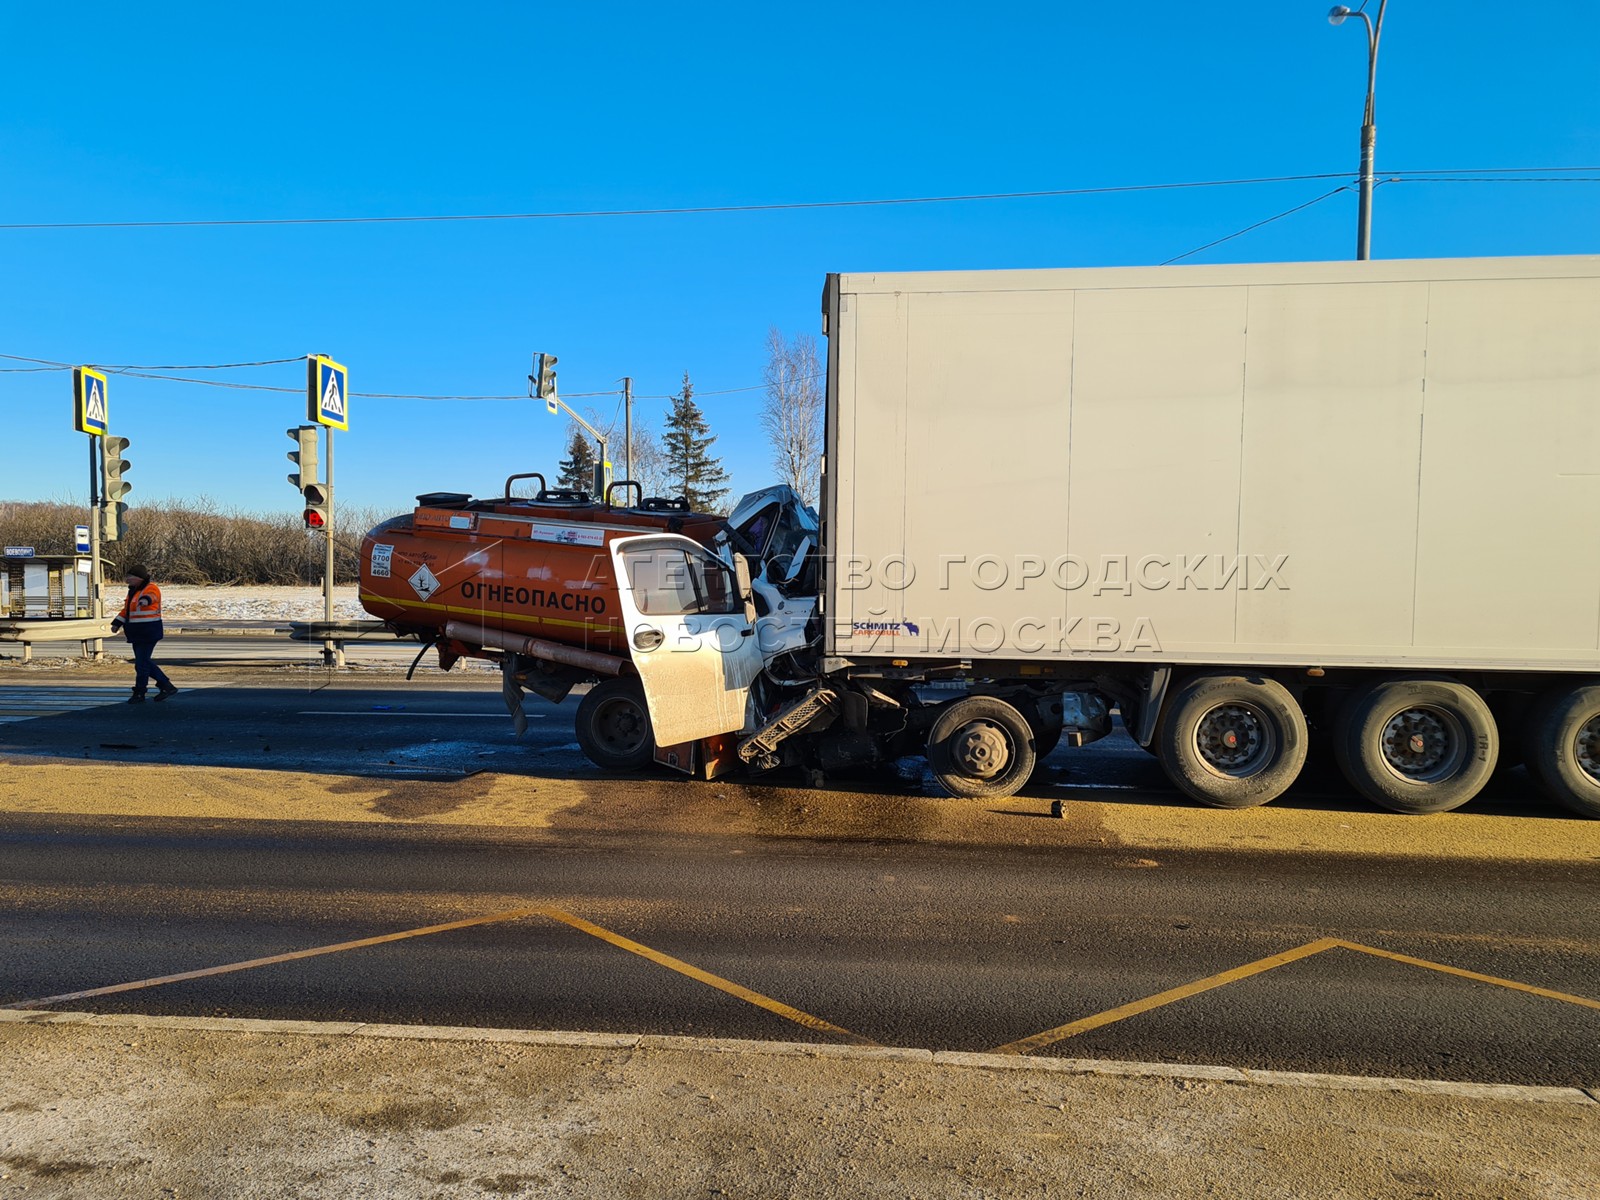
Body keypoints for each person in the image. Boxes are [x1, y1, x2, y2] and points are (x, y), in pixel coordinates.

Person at [111, 565, 178, 702]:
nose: (127, 579)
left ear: (138, 578)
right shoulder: (133, 592)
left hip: (148, 631)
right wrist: (117, 623)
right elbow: (127, 611)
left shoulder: (150, 588)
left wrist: (145, 600)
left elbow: (152, 597)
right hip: (137, 633)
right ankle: (166, 686)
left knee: (142, 663)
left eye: (130, 577)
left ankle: (140, 692)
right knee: (143, 662)